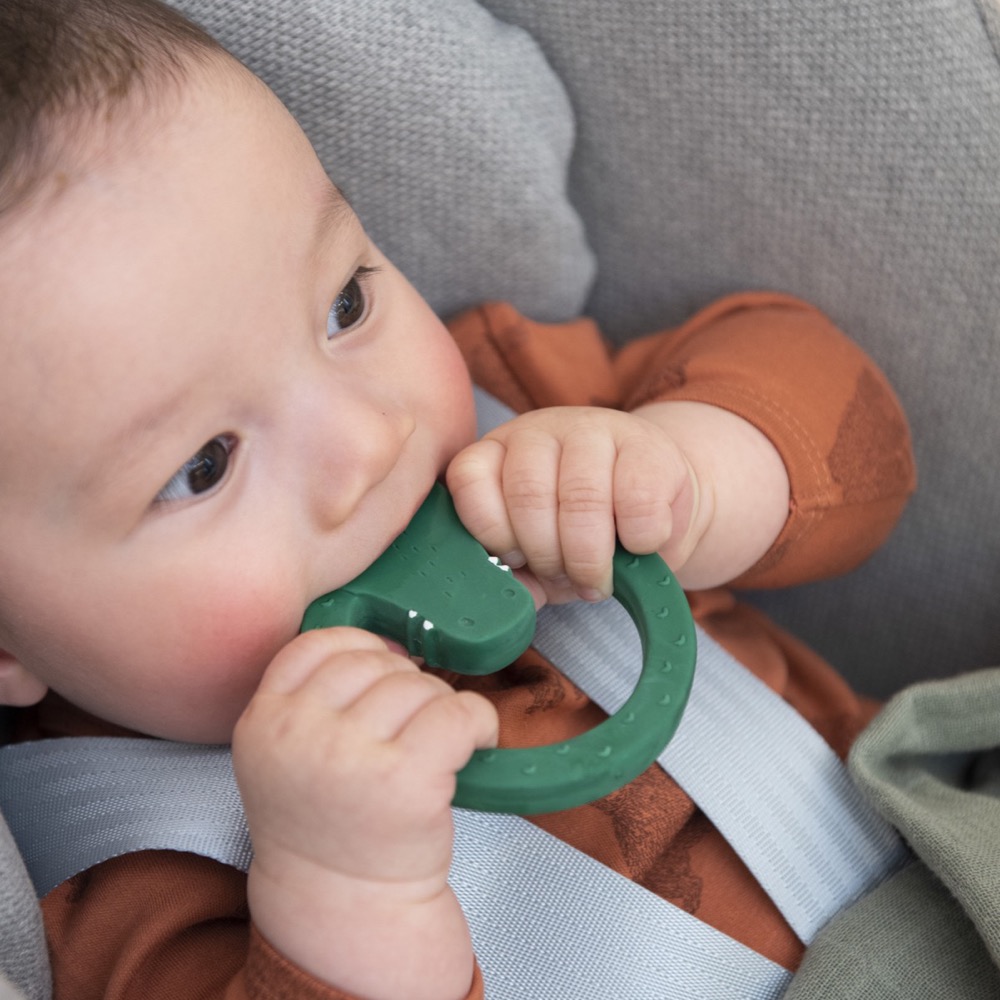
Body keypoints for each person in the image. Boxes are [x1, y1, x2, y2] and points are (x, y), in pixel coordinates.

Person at [0, 1, 916, 998]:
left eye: (345, 304)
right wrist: (342, 892)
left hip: (937, 867)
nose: (368, 439)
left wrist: (695, 477)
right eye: (204, 465)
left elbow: (868, 437)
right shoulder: (124, 882)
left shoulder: (519, 423)